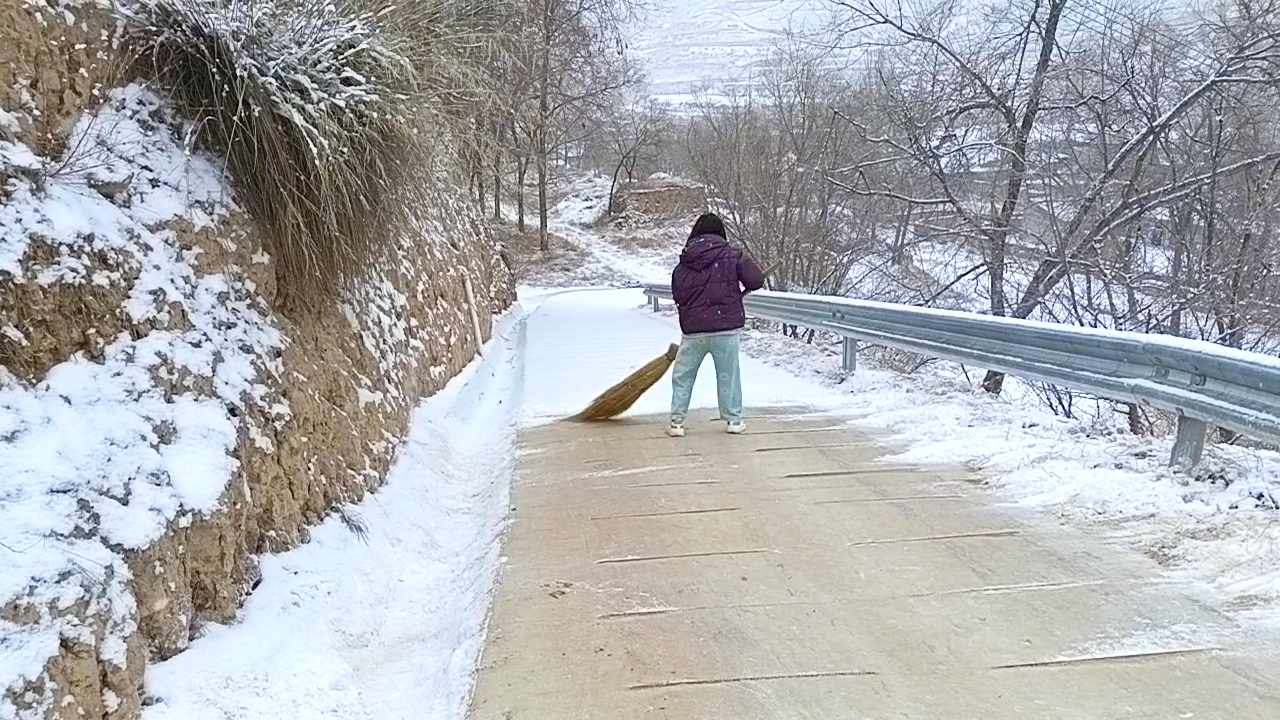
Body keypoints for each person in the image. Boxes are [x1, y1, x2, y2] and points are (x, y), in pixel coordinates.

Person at [667, 212, 766, 437]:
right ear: (721, 232)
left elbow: (678, 295)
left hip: (693, 331)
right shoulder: (733, 256)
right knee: (728, 374)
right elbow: (756, 281)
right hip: (726, 328)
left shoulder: (684, 263)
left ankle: (676, 423)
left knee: (683, 375)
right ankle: (733, 420)